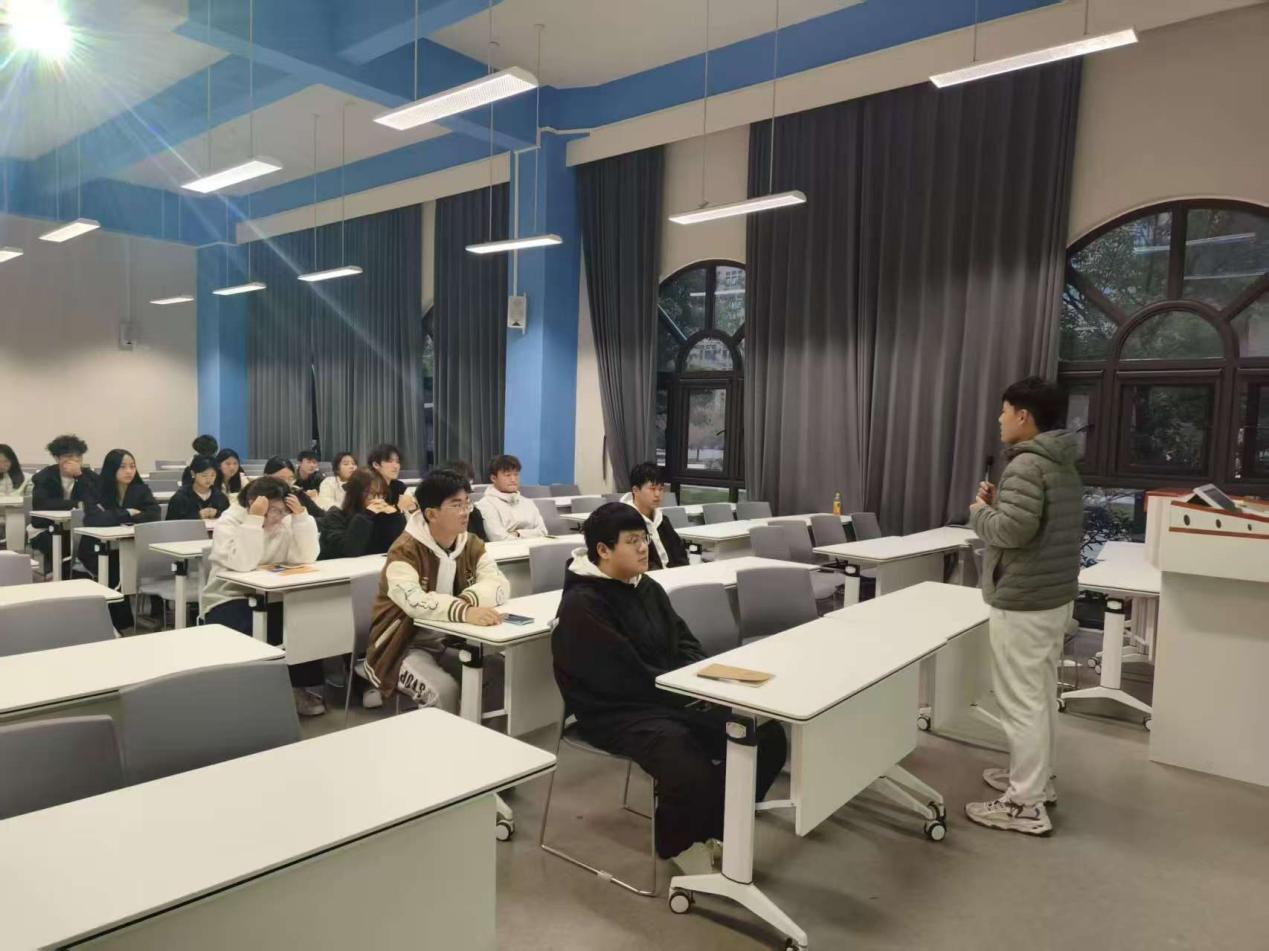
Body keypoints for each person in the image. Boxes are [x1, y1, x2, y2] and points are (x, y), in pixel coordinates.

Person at [552, 503, 787, 873]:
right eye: (632, 541)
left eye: (644, 539)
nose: (643, 548)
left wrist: (695, 683)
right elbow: (622, 675)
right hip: (615, 712)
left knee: (765, 734)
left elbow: (685, 640)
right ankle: (678, 843)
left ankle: (716, 826)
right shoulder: (583, 604)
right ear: (603, 550)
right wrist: (684, 692)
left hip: (671, 695)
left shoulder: (646, 586)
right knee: (685, 757)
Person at [965, 376, 1083, 837]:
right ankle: (1037, 780)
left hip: (1025, 600)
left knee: (1021, 703)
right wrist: (1001, 505)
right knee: (1039, 696)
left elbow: (1012, 532)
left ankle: (1025, 805)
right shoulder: (1060, 462)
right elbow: (1036, 524)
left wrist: (981, 512)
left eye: (1004, 410)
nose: (999, 419)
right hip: (1052, 597)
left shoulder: (1026, 465)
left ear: (1023, 415)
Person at [364, 469, 508, 711]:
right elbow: (414, 602)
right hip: (402, 648)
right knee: (444, 691)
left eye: (467, 503)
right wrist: (464, 612)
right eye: (456, 505)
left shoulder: (471, 543)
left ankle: (477, 733)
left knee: (499, 672)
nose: (465, 512)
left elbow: (500, 583)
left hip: (449, 641)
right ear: (431, 514)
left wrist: (467, 600)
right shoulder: (404, 551)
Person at [202, 476, 327, 717]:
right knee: (252, 625)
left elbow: (306, 557)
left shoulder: (285, 520)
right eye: (274, 511)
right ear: (254, 503)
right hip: (229, 595)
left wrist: (301, 518)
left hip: (274, 593)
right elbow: (242, 563)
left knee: (302, 622)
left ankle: (297, 688)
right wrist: (254, 521)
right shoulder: (230, 521)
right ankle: (251, 694)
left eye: (283, 510)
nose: (279, 517)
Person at [31, 434, 97, 576]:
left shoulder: (89, 477)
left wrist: (79, 476)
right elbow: (42, 504)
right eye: (68, 456)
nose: (74, 460)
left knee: (93, 543)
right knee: (59, 541)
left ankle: (82, 575)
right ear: (57, 458)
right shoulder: (44, 477)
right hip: (45, 527)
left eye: (78, 456)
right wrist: (77, 504)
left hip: (79, 527)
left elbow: (96, 499)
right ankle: (58, 575)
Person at [319, 468, 406, 560]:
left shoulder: (381, 517)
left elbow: (398, 549)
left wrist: (394, 516)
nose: (378, 499)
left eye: (381, 494)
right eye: (371, 494)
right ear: (356, 494)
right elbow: (350, 550)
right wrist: (367, 515)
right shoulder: (335, 517)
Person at [622, 462, 689, 569]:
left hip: (673, 575)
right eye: (652, 489)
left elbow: (680, 553)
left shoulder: (662, 520)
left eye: (661, 489)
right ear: (635, 490)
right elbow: (634, 562)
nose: (657, 494)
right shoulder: (626, 522)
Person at [476, 453, 547, 541]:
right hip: (506, 549)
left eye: (516, 474)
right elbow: (499, 539)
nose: (513, 479)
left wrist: (518, 533)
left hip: (534, 547)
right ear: (493, 478)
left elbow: (543, 532)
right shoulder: (486, 504)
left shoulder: (528, 502)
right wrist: (531, 533)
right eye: (508, 475)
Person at [166, 455, 229, 521]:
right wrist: (197, 516)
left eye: (213, 475)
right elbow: (171, 524)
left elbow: (229, 519)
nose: (209, 479)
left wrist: (218, 513)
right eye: (204, 475)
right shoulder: (180, 498)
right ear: (193, 473)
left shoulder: (220, 497)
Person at [437, 459, 487, 540]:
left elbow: (483, 541)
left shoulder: (474, 513)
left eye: (469, 485)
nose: (468, 491)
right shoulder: (435, 515)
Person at [367, 443, 419, 515]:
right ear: (376, 465)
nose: (395, 466)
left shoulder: (399, 486)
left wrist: (412, 508)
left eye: (397, 462)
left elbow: (413, 514)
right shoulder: (368, 487)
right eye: (390, 461)